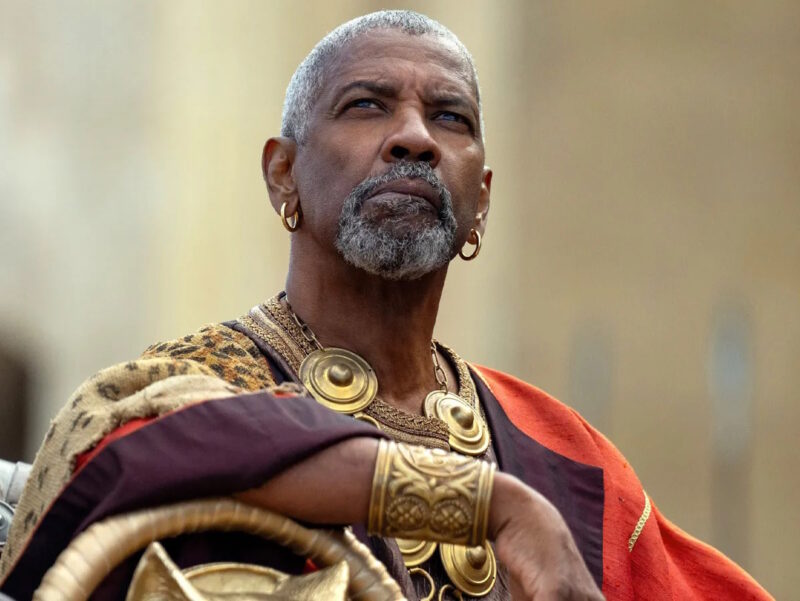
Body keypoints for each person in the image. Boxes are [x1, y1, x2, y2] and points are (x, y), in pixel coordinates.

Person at [0, 10, 772, 601]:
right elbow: (114, 448)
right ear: (282, 175)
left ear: (481, 204)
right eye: (367, 105)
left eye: (450, 117)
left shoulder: (569, 460)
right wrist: (493, 507)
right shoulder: (190, 384)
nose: (414, 137)